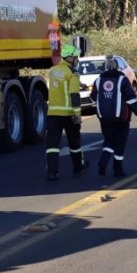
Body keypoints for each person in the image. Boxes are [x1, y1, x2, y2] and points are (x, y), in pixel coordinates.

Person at [90, 54, 137, 177]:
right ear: (117, 67)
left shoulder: (99, 80)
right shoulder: (122, 79)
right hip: (121, 119)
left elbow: (93, 97)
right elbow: (130, 98)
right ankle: (117, 169)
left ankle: (103, 162)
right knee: (120, 142)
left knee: (108, 141)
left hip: (104, 118)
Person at [45, 44, 87, 181]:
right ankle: (78, 167)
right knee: (74, 143)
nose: (77, 60)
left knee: (52, 145)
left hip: (53, 114)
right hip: (69, 114)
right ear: (69, 58)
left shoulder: (53, 71)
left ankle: (52, 172)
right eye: (75, 57)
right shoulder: (72, 73)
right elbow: (74, 95)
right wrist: (77, 115)